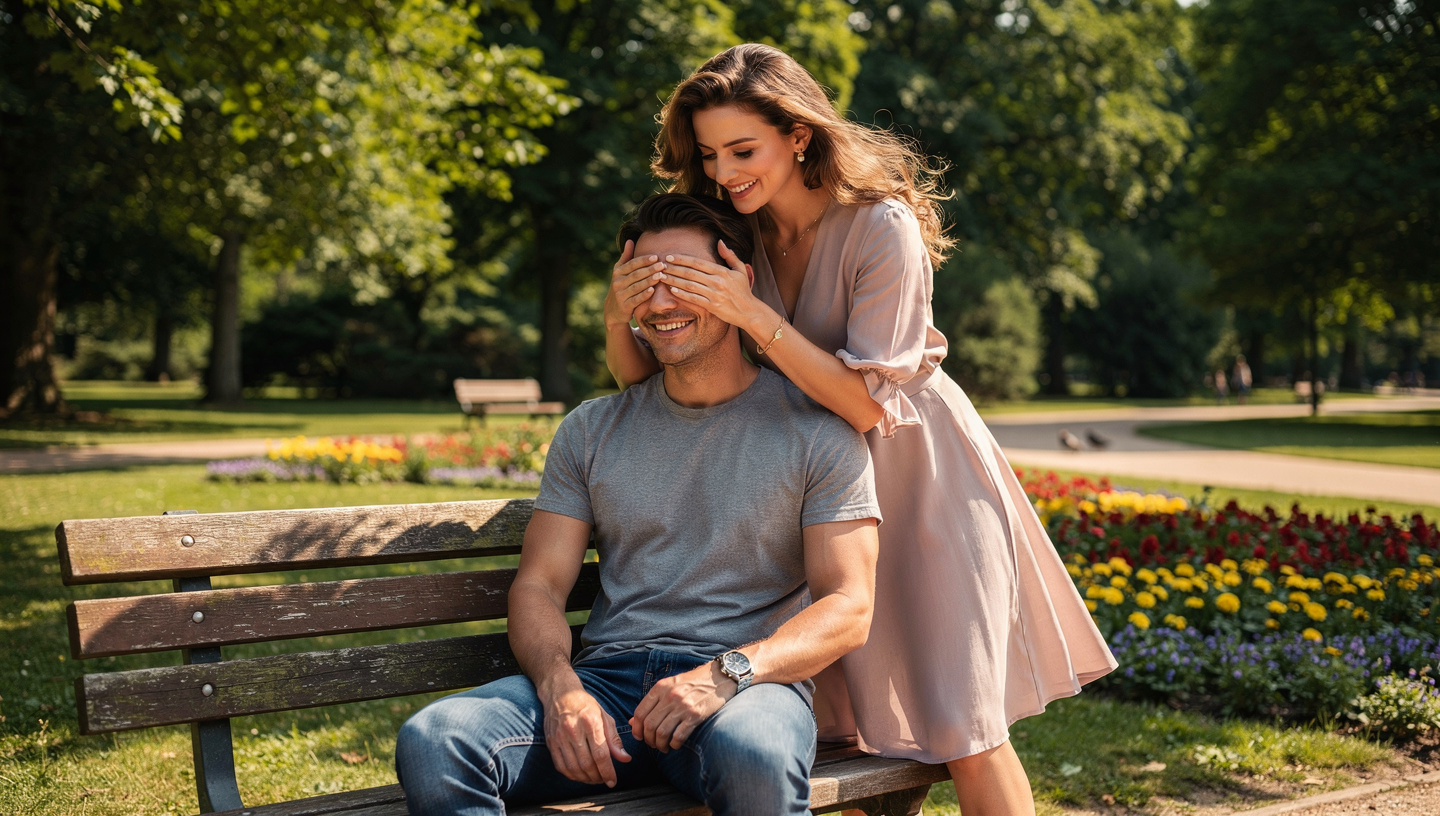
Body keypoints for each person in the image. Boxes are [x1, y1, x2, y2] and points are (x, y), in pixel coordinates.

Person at [604, 43, 1116, 816]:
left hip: (922, 485)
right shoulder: (735, 233)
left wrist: (753, 315)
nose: (723, 172)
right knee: (856, 732)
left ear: (799, 134)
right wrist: (618, 309)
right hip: (816, 497)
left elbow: (868, 404)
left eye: (743, 150)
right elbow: (640, 381)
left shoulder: (883, 228)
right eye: (709, 154)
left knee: (964, 727)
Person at [395, 193, 882, 816]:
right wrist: (559, 687)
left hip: (741, 688)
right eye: (641, 284)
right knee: (437, 741)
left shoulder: (818, 432)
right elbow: (539, 586)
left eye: (683, 279)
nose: (660, 304)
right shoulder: (592, 429)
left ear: (739, 283)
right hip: (604, 686)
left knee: (756, 755)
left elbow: (849, 607)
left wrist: (725, 674)